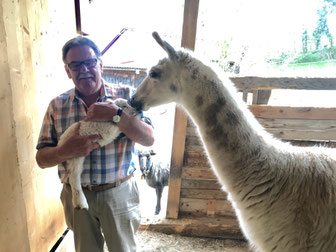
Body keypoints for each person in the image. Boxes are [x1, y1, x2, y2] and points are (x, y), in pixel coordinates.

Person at [35, 36, 154, 252]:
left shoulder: (126, 96)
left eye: (89, 62)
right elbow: (41, 159)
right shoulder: (57, 106)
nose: (84, 70)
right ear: (67, 71)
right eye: (76, 65)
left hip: (119, 194)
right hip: (77, 197)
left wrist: (118, 115)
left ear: (100, 64)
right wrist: (63, 151)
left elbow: (148, 139)